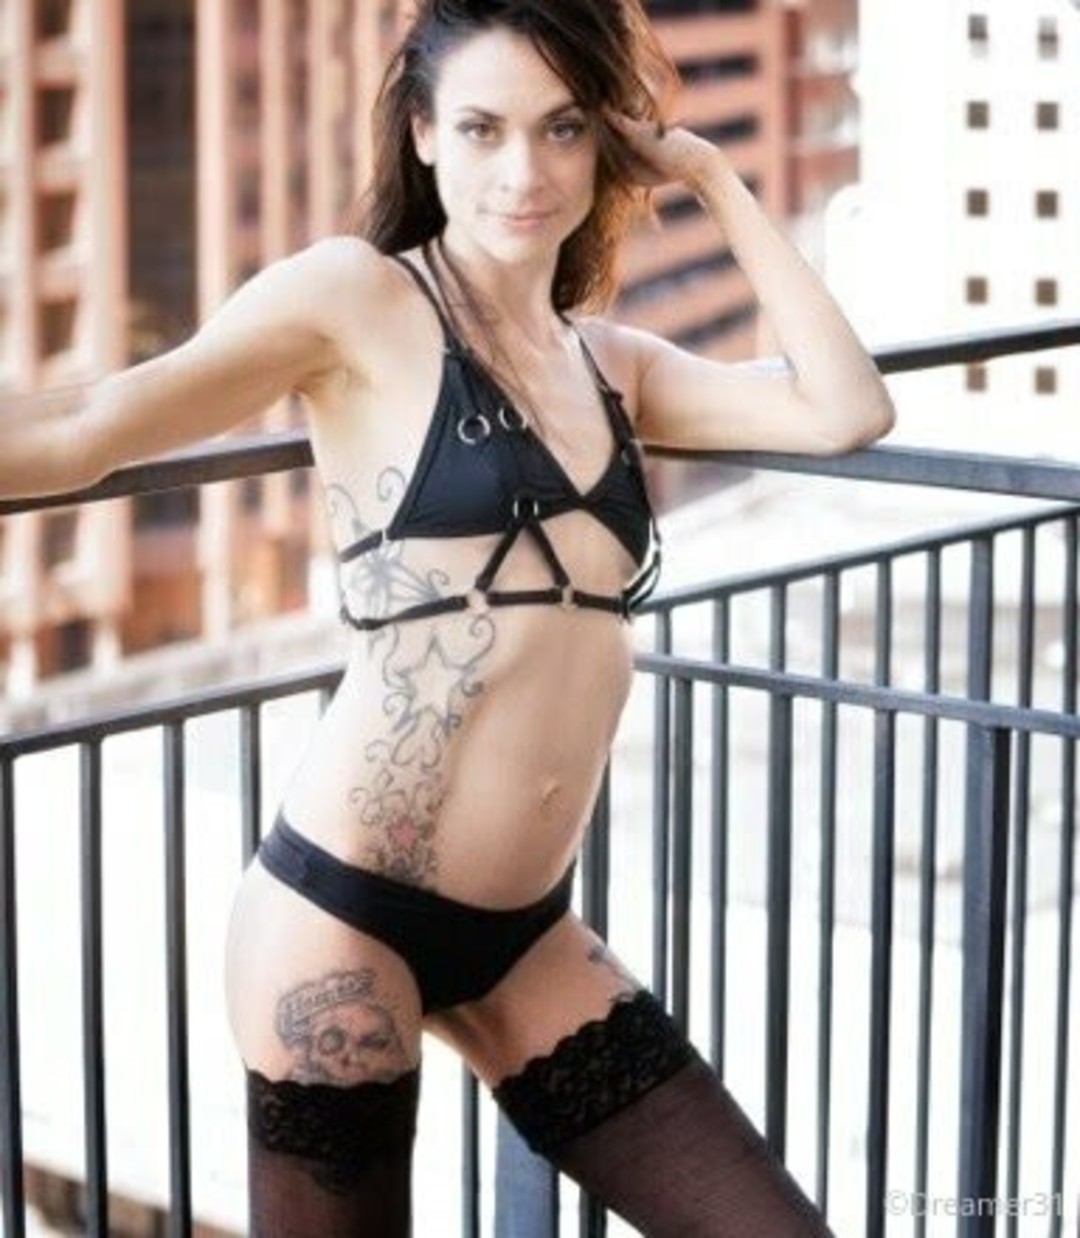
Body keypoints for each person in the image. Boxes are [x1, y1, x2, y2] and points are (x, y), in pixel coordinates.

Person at [0, 1, 895, 1233]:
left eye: (562, 128)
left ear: (605, 144)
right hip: (340, 920)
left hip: (526, 937)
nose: (523, 172)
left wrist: (711, 177)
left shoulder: (615, 366)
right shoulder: (358, 299)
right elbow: (87, 427)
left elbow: (846, 409)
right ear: (422, 135)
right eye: (481, 129)